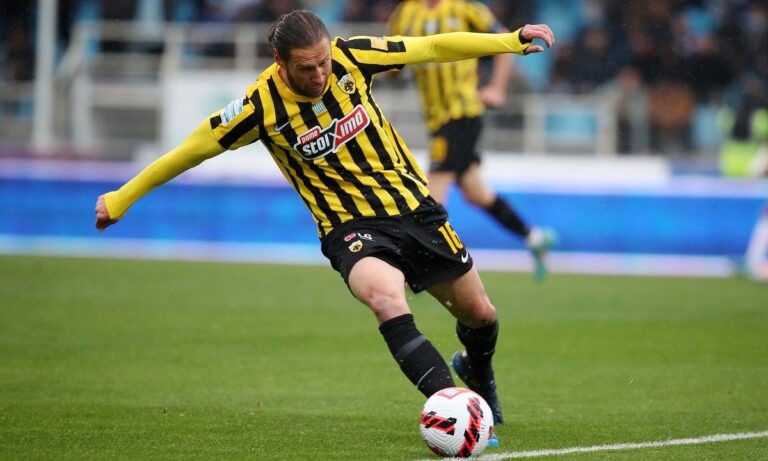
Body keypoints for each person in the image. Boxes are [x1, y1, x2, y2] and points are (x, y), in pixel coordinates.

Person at [94, 9, 555, 446]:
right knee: (385, 299)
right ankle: (456, 408)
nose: (319, 75)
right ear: (280, 62)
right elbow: (190, 151)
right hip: (349, 228)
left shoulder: (353, 56)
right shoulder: (259, 107)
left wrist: (509, 41)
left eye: (323, 63)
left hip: (414, 209)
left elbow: (431, 47)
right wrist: (122, 198)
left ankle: (478, 372)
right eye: (306, 68)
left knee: (480, 315)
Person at [387, 0, 557, 281]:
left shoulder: (465, 8)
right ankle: (534, 237)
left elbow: (505, 40)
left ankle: (419, 266)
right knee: (476, 193)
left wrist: (497, 88)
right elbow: (391, 60)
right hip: (436, 118)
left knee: (433, 191)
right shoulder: (405, 13)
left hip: (462, 113)